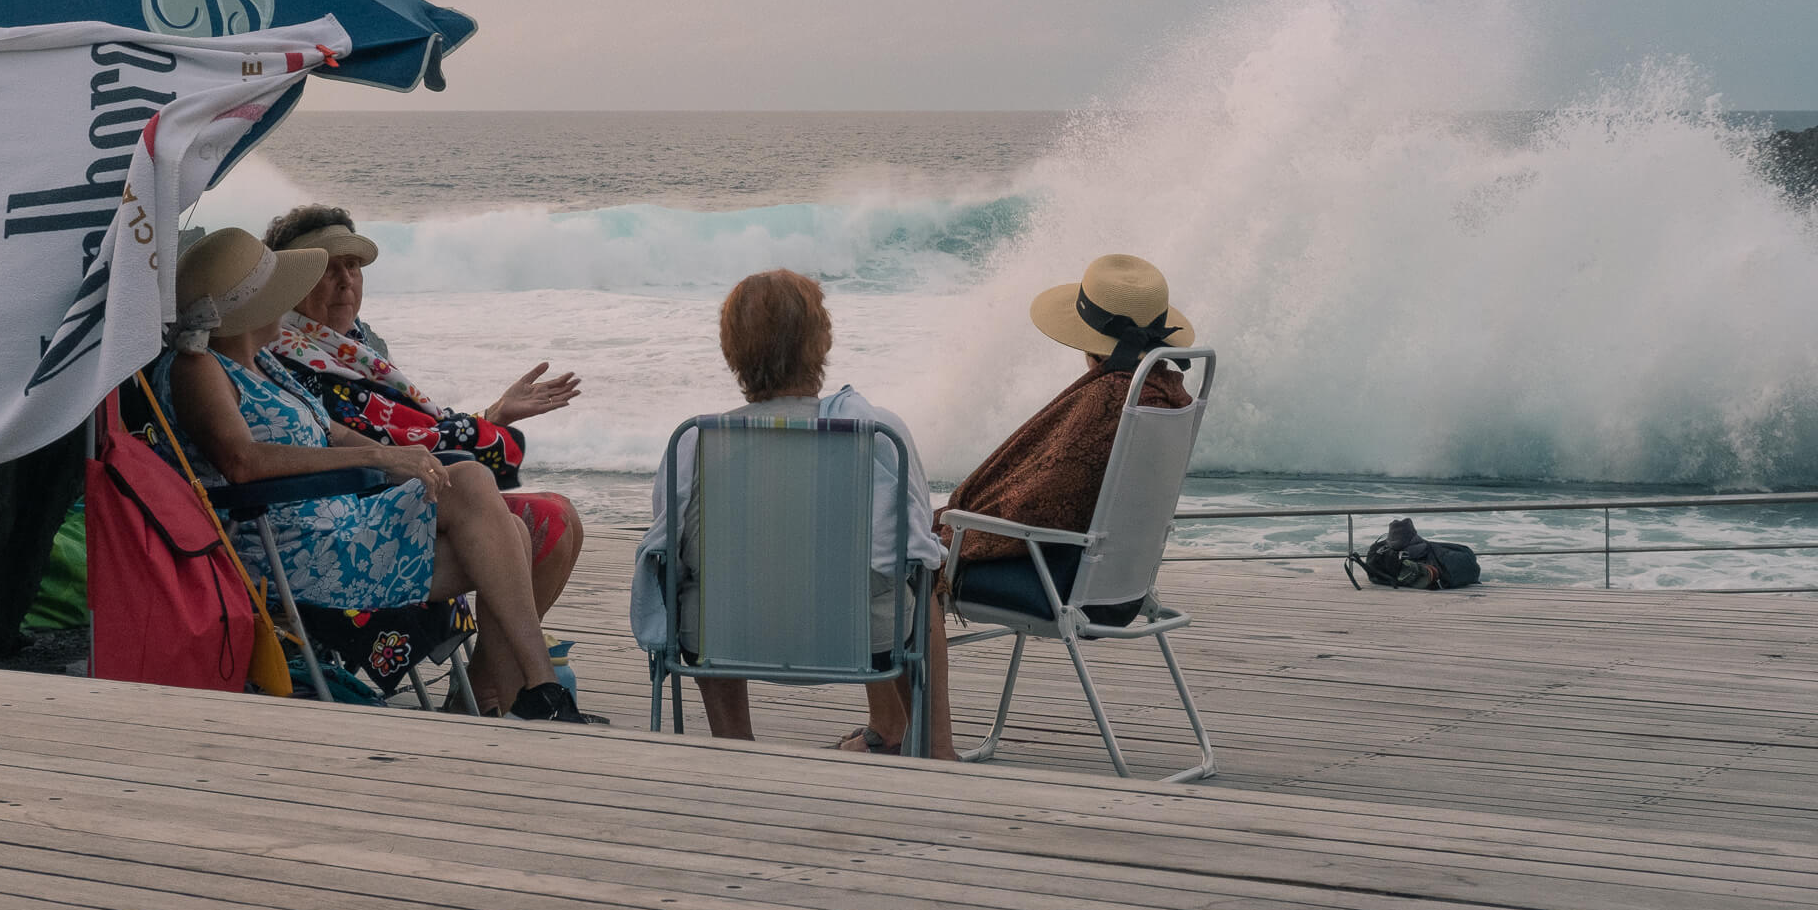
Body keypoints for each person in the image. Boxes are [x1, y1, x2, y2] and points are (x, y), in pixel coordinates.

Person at [163, 227, 594, 724]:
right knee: (480, 490)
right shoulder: (199, 368)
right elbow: (243, 461)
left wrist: (402, 457)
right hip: (286, 545)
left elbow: (335, 434)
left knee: (507, 524)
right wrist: (384, 461)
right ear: (250, 307)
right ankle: (536, 691)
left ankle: (529, 695)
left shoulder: (260, 363)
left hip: (336, 524)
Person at [631, 270, 949, 755]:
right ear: (822, 342)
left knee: (697, 588)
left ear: (730, 350)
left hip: (722, 639)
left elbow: (668, 557)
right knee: (921, 584)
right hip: (863, 640)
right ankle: (935, 748)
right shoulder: (876, 434)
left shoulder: (695, 442)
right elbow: (915, 551)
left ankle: (736, 746)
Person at [939, 254, 1195, 629]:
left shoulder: (1109, 401)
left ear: (1087, 343)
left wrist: (954, 526)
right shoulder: (1166, 395)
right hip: (1124, 588)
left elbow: (1036, 504)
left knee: (910, 566)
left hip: (1063, 587)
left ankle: (923, 690)